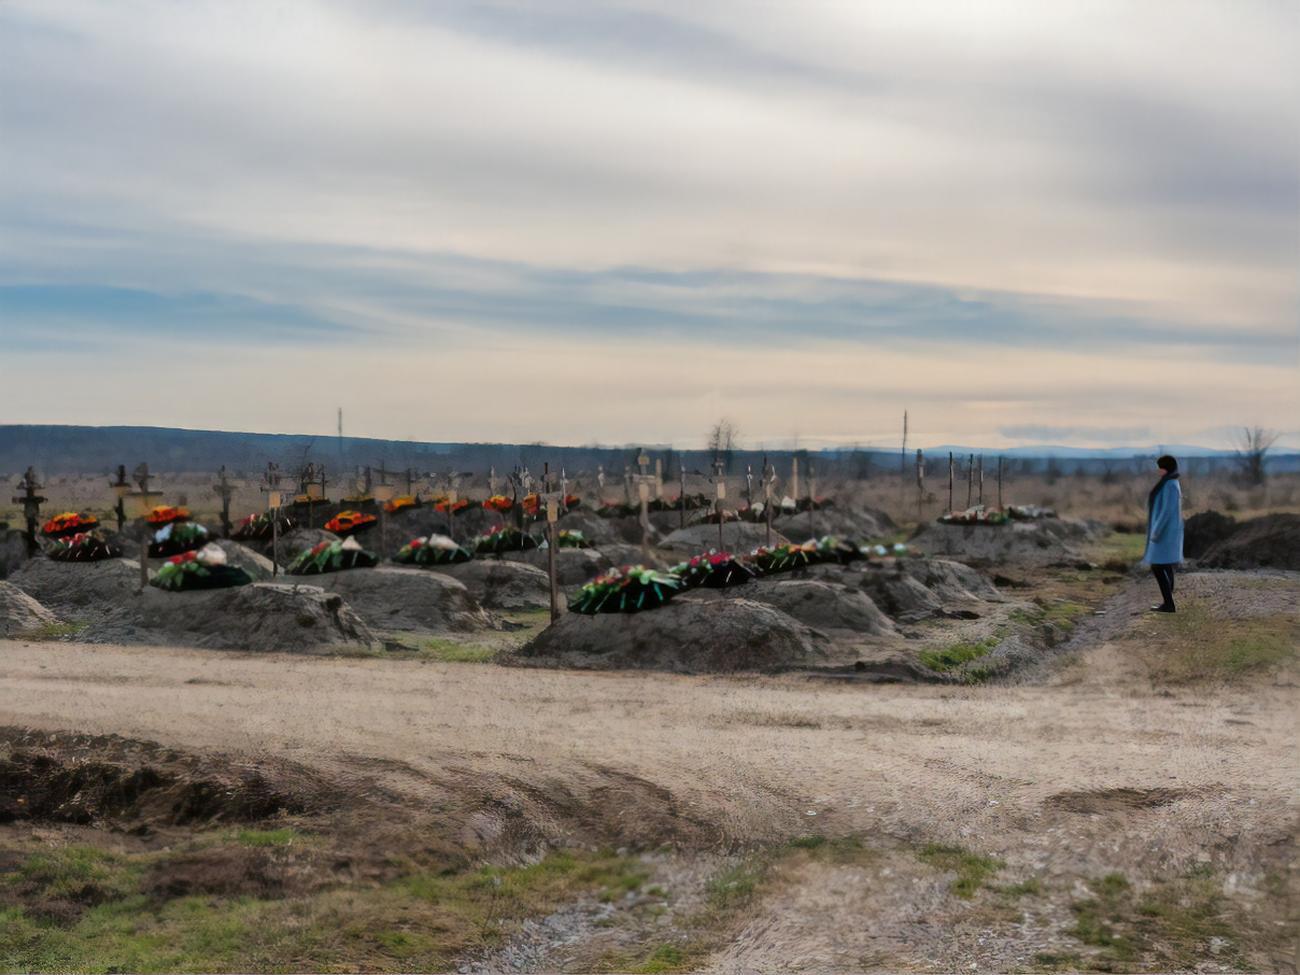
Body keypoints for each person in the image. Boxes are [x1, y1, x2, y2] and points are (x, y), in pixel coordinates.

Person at [1143, 455, 1184, 613]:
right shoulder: (1169, 482)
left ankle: (1169, 603)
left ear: (1165, 468)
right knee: (1164, 564)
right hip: (1166, 531)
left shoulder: (1170, 485)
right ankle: (1168, 599)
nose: (1157, 469)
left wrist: (1156, 530)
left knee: (1157, 566)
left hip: (1165, 532)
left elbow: (1167, 511)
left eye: (1159, 466)